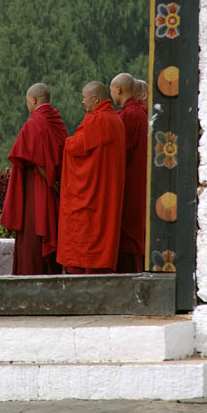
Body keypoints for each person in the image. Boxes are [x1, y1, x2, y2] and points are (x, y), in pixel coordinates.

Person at [57, 81, 126, 274]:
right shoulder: (115, 121)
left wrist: (67, 141)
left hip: (90, 196)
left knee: (85, 238)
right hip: (107, 192)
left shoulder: (97, 120)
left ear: (95, 99)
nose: (82, 102)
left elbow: (73, 146)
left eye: (84, 98)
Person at [1, 82, 67, 275]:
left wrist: (48, 180)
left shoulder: (33, 124)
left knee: (32, 242)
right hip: (55, 192)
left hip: (35, 192)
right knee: (51, 236)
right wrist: (56, 184)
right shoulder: (58, 123)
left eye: (27, 101)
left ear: (33, 100)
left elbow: (31, 158)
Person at [110, 73, 148, 273]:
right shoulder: (141, 113)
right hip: (140, 181)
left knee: (127, 231)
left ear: (118, 90)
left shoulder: (127, 116)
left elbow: (115, 152)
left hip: (129, 182)